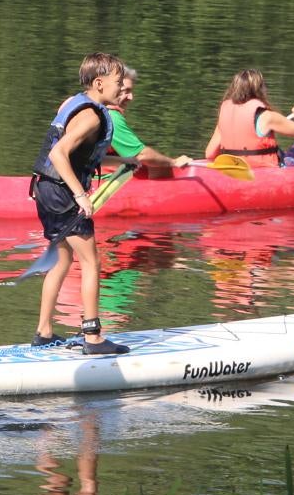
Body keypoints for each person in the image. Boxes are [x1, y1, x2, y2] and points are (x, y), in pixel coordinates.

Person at [29, 53, 131, 355]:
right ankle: (93, 337)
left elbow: (81, 155)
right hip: (62, 193)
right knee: (91, 262)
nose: (122, 87)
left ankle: (44, 332)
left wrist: (125, 161)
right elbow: (59, 154)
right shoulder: (92, 116)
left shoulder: (72, 103)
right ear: (99, 84)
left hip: (44, 190)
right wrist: (80, 195)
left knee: (62, 261)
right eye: (118, 82)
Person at [202, 69, 294, 169]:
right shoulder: (267, 116)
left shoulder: (225, 114)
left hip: (237, 170)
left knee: (277, 149)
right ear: (259, 89)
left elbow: (209, 154)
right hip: (266, 172)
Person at [105, 67, 191, 173]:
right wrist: (173, 162)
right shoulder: (112, 118)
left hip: (101, 174)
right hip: (101, 181)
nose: (131, 97)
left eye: (130, 91)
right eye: (125, 91)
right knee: (160, 167)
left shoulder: (96, 108)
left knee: (155, 162)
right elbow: (142, 155)